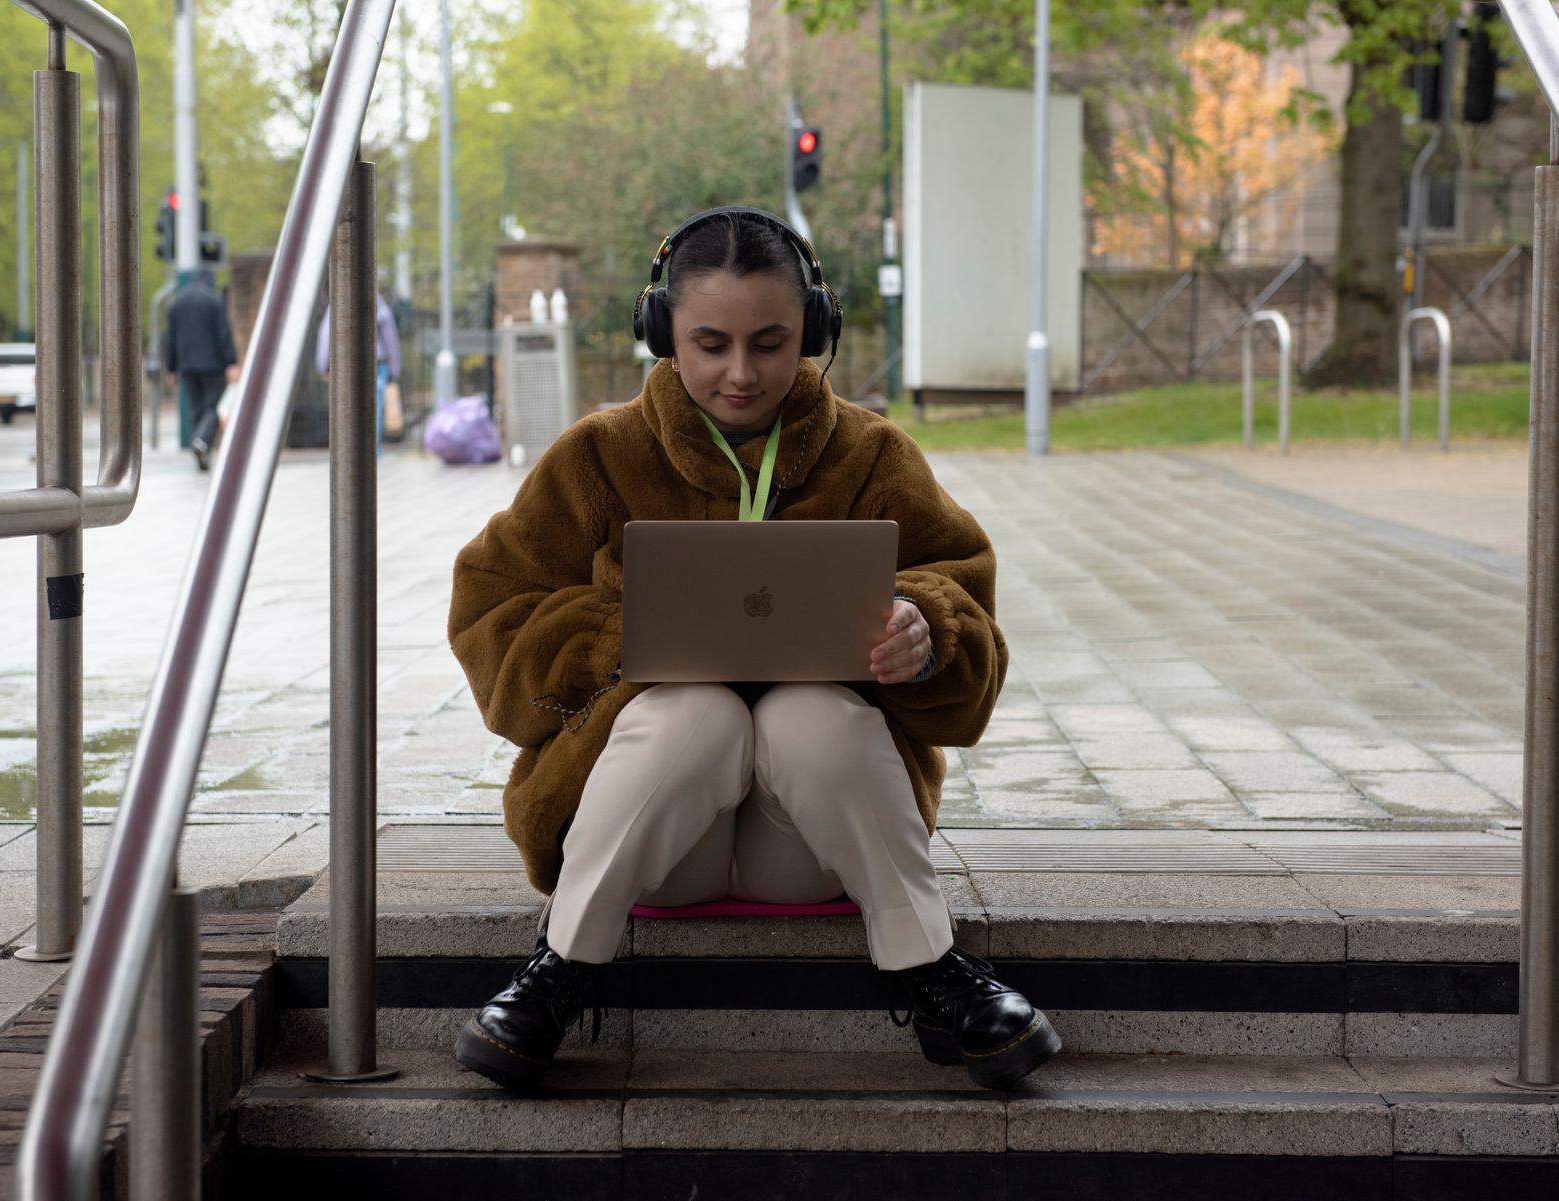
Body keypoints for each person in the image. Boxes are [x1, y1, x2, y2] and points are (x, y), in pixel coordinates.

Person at [445, 206, 1058, 1093]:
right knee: (693, 714)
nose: (742, 372)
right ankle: (563, 966)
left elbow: (960, 588)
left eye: (771, 342)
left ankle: (932, 971)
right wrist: (626, 637)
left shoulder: (873, 454)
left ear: (813, 328)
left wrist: (927, 632)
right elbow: (489, 609)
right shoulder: (596, 456)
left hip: (806, 841)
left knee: (813, 714)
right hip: (654, 832)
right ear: (663, 334)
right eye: (710, 343)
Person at [163, 268, 240, 471]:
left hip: (187, 365)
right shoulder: (214, 301)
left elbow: (170, 338)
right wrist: (231, 361)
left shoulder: (176, 304)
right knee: (213, 407)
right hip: (212, 365)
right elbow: (224, 332)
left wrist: (171, 368)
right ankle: (201, 440)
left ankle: (201, 451)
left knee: (197, 409)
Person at [315, 289, 403, 453]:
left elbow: (326, 335)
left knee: (348, 404)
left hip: (348, 362)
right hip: (377, 361)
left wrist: (323, 365)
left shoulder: (339, 302)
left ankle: (350, 448)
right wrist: (395, 369)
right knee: (373, 407)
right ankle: (371, 450)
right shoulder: (380, 305)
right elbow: (391, 341)